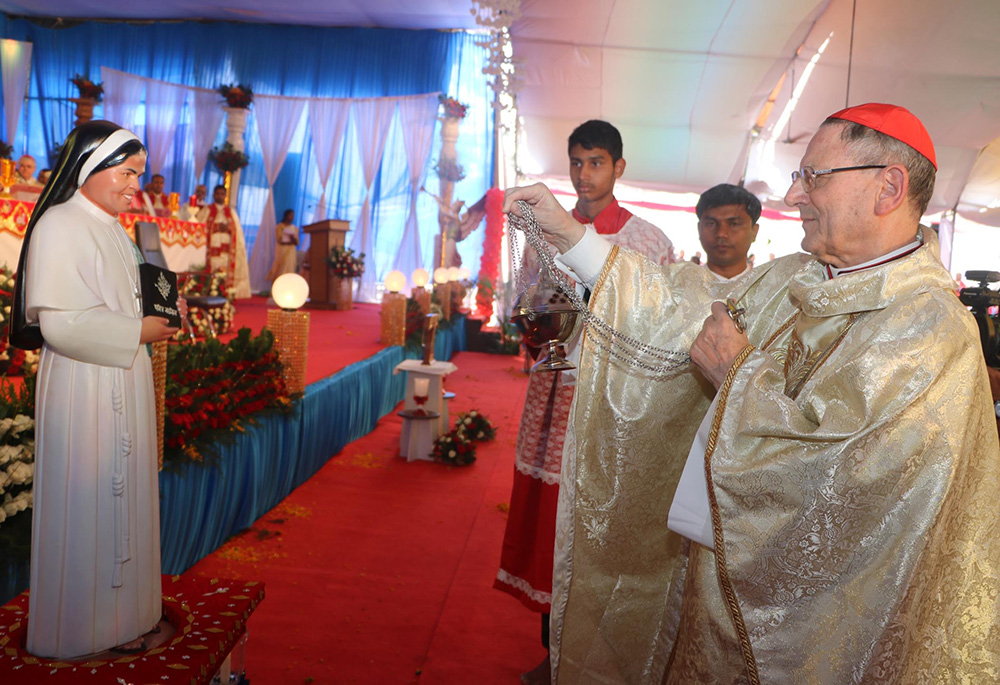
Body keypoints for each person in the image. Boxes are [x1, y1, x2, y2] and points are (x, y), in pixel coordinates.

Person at [504, 103, 1000, 683]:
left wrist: (736, 376)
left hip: (819, 639)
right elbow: (678, 308)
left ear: (888, 187)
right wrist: (570, 234)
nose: (794, 196)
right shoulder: (799, 276)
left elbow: (847, 483)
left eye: (813, 177)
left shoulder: (929, 327)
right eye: (798, 176)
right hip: (719, 594)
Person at [494, 119, 674, 685]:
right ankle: (553, 651)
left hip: (613, 403)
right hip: (555, 394)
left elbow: (659, 324)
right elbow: (525, 308)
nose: (583, 173)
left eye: (595, 162)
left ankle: (595, 656)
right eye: (575, 162)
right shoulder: (544, 231)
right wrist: (534, 320)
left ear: (619, 168)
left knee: (599, 521)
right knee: (552, 525)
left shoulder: (649, 241)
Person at [9, 120, 184, 659]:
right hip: (84, 387)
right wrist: (136, 331)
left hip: (124, 377)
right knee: (90, 499)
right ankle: (85, 629)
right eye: (128, 171)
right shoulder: (59, 225)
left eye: (141, 173)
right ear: (90, 166)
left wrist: (156, 318)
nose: (137, 184)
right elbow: (59, 325)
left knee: (126, 494)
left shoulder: (113, 227)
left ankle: (129, 615)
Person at [197, 184, 251, 299]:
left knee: (224, 275)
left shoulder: (231, 212)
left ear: (225, 196)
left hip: (226, 252)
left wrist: (229, 229)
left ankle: (225, 297)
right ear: (213, 195)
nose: (219, 196)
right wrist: (215, 228)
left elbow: (238, 232)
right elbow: (199, 229)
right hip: (211, 251)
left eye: (222, 194)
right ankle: (209, 295)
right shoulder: (207, 210)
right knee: (212, 273)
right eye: (217, 194)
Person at [696, 183, 760, 281]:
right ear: (699, 229)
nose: (721, 234)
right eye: (711, 223)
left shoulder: (775, 291)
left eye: (734, 224)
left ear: (754, 231)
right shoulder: (673, 289)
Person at [267, 208, 299, 282]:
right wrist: (288, 239)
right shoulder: (280, 226)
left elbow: (297, 242)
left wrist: (292, 238)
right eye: (291, 215)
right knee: (280, 268)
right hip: (282, 250)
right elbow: (279, 240)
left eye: (293, 215)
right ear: (286, 215)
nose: (292, 217)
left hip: (291, 251)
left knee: (289, 268)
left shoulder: (295, 228)